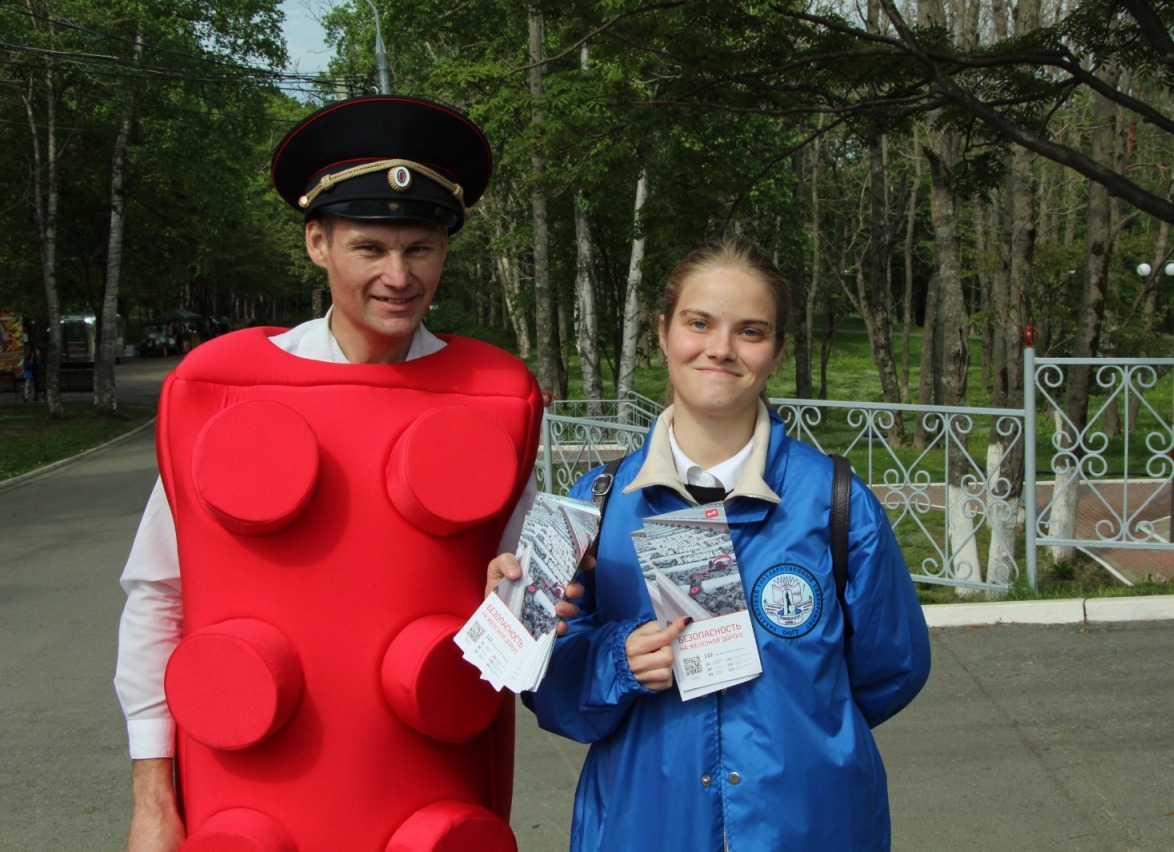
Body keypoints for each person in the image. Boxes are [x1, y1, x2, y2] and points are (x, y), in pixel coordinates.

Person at [114, 95, 579, 851]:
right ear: (317, 243)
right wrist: (152, 800)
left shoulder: (492, 403)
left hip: (428, 792)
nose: (398, 276)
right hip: (250, 803)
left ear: (445, 249)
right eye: (369, 248)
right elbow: (158, 598)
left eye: (420, 248)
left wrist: (529, 608)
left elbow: (528, 611)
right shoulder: (227, 396)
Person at [509, 238, 931, 850]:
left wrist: (797, 735)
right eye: (699, 323)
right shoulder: (593, 502)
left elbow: (892, 668)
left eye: (750, 331)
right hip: (643, 825)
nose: (721, 348)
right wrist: (617, 661)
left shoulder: (837, 501)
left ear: (777, 350)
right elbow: (545, 687)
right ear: (663, 333)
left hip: (808, 825)